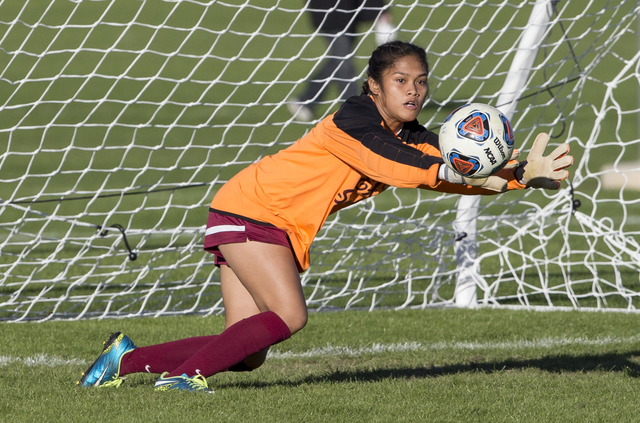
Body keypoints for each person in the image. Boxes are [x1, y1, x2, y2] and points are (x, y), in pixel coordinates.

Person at [78, 41, 573, 393]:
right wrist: (457, 168)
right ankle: (182, 379)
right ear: (374, 86)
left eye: (420, 82)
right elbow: (401, 167)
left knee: (246, 353)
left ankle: (122, 361)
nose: (413, 91)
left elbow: (448, 173)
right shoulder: (352, 121)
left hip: (264, 219)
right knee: (290, 316)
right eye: (401, 80)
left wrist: (521, 174)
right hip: (255, 210)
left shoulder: (413, 134)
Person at [288, 0, 396, 121]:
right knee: (344, 64)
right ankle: (354, 111)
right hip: (330, 14)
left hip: (350, 14)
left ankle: (305, 100)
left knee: (337, 62)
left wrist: (381, 10)